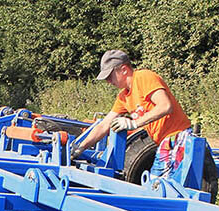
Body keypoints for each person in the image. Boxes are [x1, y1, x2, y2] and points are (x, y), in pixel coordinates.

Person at [75, 49, 192, 179]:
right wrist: (80, 147)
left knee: (160, 186)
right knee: (155, 185)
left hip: (177, 138)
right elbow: (104, 125)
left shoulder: (144, 77)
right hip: (162, 143)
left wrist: (134, 123)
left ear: (123, 69)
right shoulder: (124, 97)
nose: (108, 81)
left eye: (110, 76)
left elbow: (165, 106)